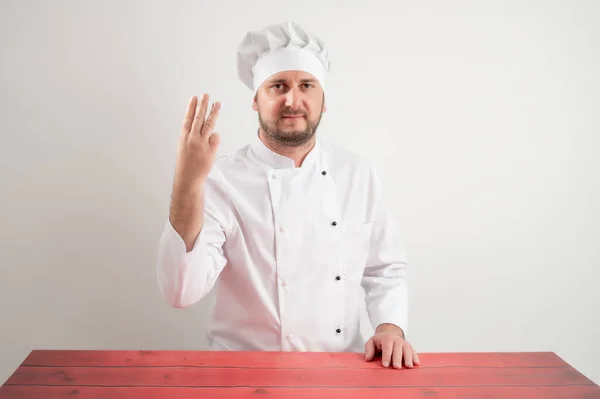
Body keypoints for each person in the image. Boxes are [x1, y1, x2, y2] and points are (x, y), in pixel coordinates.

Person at [156, 21, 420, 370]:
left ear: (322, 100)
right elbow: (180, 292)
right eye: (277, 86)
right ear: (255, 99)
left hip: (341, 373)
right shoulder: (221, 180)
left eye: (306, 85)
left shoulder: (357, 173)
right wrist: (187, 182)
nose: (292, 100)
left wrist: (390, 329)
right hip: (241, 374)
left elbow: (385, 269)